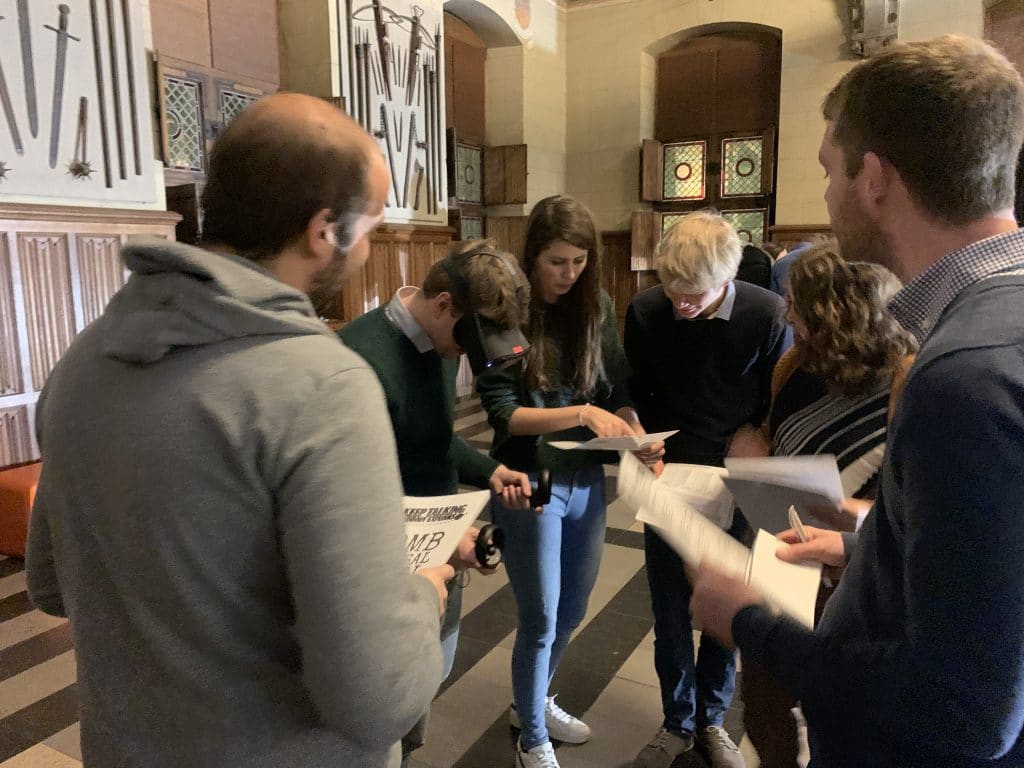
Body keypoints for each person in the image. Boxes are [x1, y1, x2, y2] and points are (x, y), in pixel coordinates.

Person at [25, 94, 452, 768]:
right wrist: (422, 596)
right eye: (371, 224)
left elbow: (50, 584)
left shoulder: (82, 362)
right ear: (323, 231)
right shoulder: (324, 387)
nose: (370, 246)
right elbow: (377, 698)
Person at [690, 36, 1024, 768]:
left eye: (827, 170)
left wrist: (747, 622)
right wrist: (864, 540)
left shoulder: (962, 376)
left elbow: (965, 709)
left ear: (873, 178)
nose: (826, 197)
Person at [477, 195, 663, 768]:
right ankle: (531, 737)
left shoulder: (595, 304)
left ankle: (531, 702)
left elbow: (615, 388)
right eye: (557, 261)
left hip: (583, 476)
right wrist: (582, 413)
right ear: (532, 255)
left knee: (574, 607)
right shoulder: (504, 310)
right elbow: (505, 414)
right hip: (527, 480)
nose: (569, 273)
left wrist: (634, 430)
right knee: (540, 617)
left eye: (579, 262)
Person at [339, 240, 535, 764]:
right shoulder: (360, 360)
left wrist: (490, 471)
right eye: (468, 341)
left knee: (430, 676)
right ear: (445, 304)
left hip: (440, 544)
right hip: (387, 562)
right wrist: (445, 536)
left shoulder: (439, 342)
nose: (467, 356)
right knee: (389, 700)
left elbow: (430, 437)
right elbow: (354, 490)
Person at [729, 240, 916, 767]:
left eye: (798, 305)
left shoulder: (907, 379)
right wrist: (754, 453)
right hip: (781, 555)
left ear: (837, 316)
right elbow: (774, 437)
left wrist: (845, 515)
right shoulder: (793, 365)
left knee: (838, 710)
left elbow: (914, 508)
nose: (786, 314)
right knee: (764, 700)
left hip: (853, 575)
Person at [624, 211, 791, 768]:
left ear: (728, 278)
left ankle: (712, 721)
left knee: (727, 604)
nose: (680, 305)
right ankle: (677, 720)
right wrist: (636, 430)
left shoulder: (766, 314)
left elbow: (779, 394)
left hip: (737, 476)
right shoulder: (647, 310)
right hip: (668, 473)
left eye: (694, 295)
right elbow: (636, 390)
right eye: (671, 290)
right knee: (670, 608)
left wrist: (760, 432)